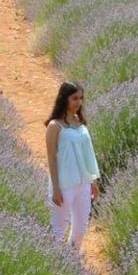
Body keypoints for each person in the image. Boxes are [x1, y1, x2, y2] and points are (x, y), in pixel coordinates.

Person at [44, 81, 100, 251]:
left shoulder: (79, 122)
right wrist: (56, 188)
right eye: (74, 98)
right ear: (64, 99)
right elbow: (51, 158)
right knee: (58, 230)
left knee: (81, 228)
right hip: (64, 185)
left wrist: (93, 181)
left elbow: (87, 152)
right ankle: (57, 268)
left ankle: (73, 263)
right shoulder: (55, 126)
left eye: (81, 98)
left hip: (83, 183)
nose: (79, 103)